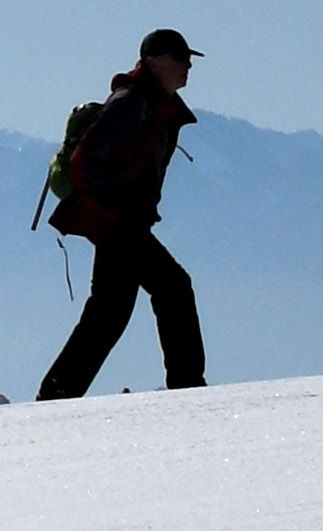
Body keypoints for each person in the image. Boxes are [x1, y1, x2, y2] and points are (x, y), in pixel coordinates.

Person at [38, 28, 208, 397]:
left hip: (122, 221)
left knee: (109, 313)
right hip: (120, 223)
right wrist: (111, 212)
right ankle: (188, 386)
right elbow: (86, 162)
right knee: (173, 289)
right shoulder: (130, 103)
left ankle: (56, 394)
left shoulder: (152, 104)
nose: (188, 65)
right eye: (180, 57)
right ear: (153, 61)